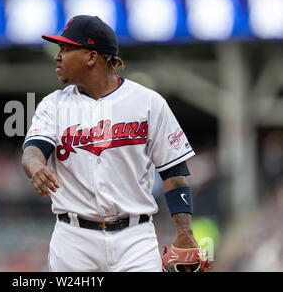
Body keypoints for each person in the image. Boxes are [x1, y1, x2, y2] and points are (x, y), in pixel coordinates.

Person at [21, 15, 204, 272]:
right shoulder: (53, 105)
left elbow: (174, 172)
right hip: (74, 240)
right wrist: (35, 167)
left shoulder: (148, 102)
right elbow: (33, 150)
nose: (57, 56)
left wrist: (184, 233)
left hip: (135, 240)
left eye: (66, 48)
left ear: (92, 57)